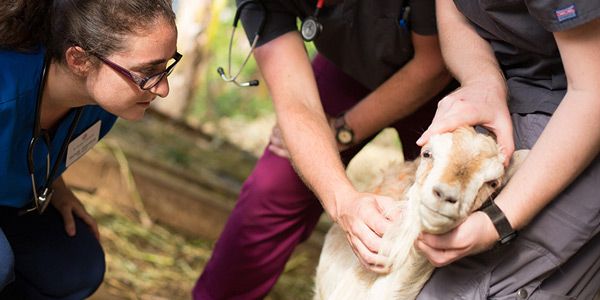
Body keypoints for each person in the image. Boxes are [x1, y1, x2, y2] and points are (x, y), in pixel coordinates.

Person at [193, 0, 456, 298]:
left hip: (443, 85)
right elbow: (297, 104)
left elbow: (433, 64)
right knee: (274, 187)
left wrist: (345, 129)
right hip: (348, 65)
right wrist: (343, 202)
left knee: (445, 212)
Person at [412, 0, 600, 298]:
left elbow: (593, 92)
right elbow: (453, 13)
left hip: (580, 99)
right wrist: (483, 81)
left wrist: (498, 221)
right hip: (515, 87)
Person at [0, 0, 180, 298]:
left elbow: (32, 143)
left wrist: (56, 186)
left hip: (10, 206)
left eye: (166, 66)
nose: (162, 89)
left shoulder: (104, 104)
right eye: (148, 71)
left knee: (77, 266)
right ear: (79, 60)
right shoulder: (7, 89)